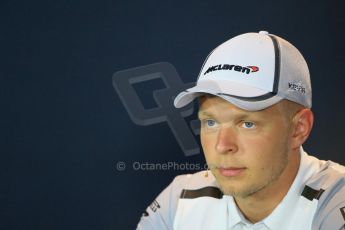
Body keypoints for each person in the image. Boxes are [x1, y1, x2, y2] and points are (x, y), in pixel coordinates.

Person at [136, 31, 345, 230]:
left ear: (298, 129)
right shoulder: (179, 201)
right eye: (211, 123)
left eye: (247, 124)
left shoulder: (336, 201)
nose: (222, 145)